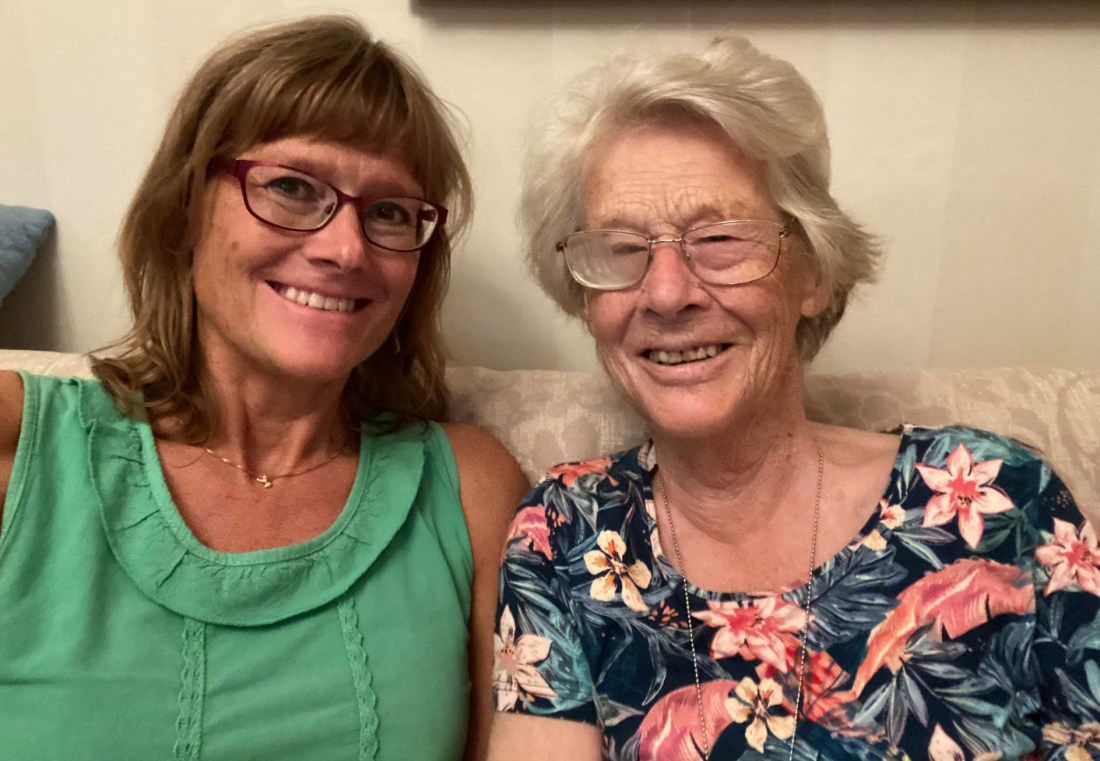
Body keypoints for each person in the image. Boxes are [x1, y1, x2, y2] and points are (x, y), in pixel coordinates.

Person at [487, 36, 1099, 760]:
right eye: (621, 249)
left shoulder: (995, 495)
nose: (668, 293)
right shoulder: (566, 532)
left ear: (813, 272)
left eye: (719, 237)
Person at [0, 16, 527, 761]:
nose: (346, 249)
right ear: (185, 209)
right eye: (291, 187)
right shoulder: (19, 442)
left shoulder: (469, 489)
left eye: (388, 211)